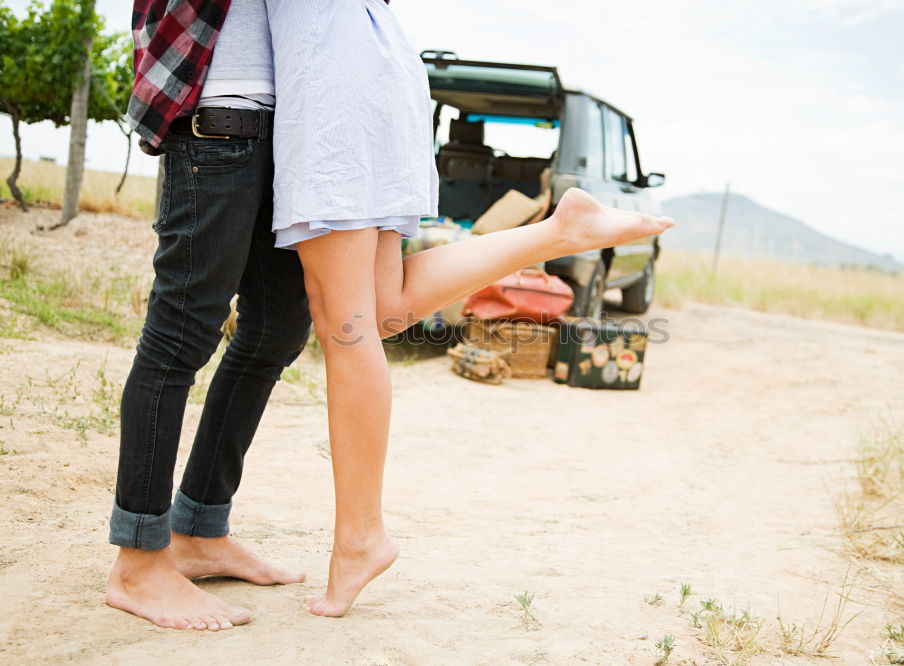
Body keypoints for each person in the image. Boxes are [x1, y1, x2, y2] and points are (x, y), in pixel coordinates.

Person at [265, 0, 675, 617]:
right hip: (382, 69)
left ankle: (360, 538)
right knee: (379, 310)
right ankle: (556, 233)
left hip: (329, 82)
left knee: (345, 328)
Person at [106, 0, 311, 631]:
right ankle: (139, 559)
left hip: (289, 131)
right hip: (215, 122)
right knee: (179, 337)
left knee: (277, 329)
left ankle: (198, 528)